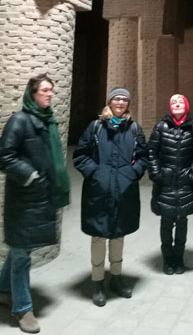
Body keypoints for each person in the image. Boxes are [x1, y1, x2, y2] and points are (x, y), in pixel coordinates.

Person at [0, 74, 70, 334]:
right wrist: (30, 175)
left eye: (51, 90)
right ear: (32, 94)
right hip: (24, 199)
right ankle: (23, 308)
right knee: (21, 253)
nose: (50, 94)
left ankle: (3, 290)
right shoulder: (20, 120)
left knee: (21, 248)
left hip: (39, 197)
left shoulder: (47, 120)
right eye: (45, 90)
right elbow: (4, 156)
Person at [73, 87, 147, 306]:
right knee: (98, 235)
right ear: (110, 102)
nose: (121, 102)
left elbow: (143, 156)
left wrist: (132, 173)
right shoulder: (96, 127)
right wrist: (96, 174)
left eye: (124, 99)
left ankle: (116, 277)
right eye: (117, 98)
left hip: (123, 190)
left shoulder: (134, 128)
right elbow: (81, 155)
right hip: (99, 190)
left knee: (118, 234)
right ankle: (97, 282)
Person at [147, 94, 193, 275]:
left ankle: (178, 257)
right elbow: (151, 152)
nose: (177, 104)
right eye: (174, 102)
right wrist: (157, 174)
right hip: (166, 182)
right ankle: (168, 258)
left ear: (186, 106)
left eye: (180, 102)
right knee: (166, 221)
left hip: (185, 181)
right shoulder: (161, 127)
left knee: (182, 221)